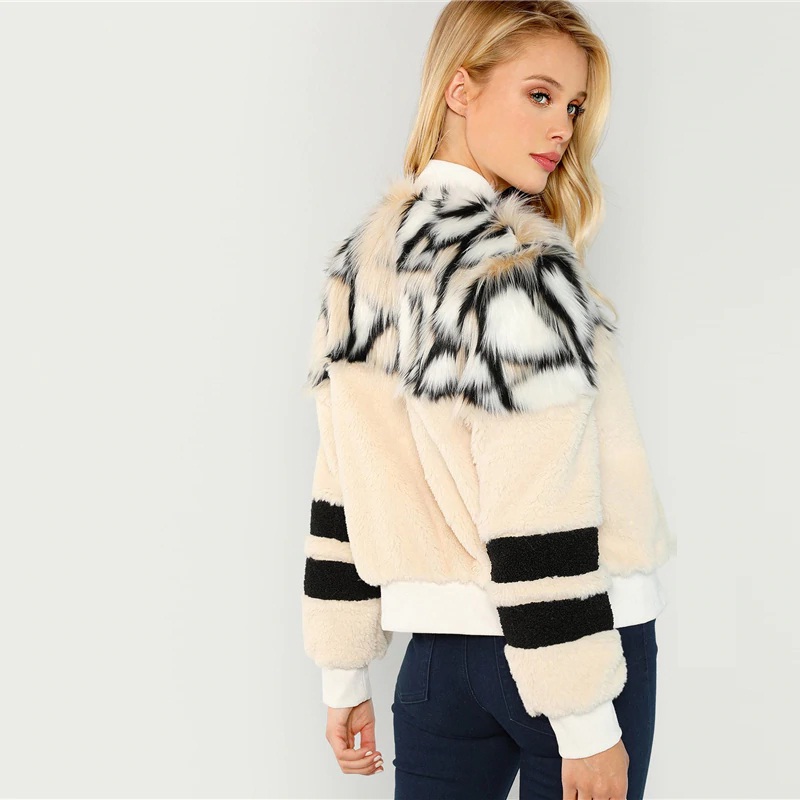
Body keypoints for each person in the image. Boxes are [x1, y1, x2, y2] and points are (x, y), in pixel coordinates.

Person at [300, 1, 677, 798]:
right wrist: (585, 721)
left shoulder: (359, 268)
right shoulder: (519, 271)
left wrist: (343, 672)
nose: (563, 128)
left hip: (437, 663)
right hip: (571, 654)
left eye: (574, 106)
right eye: (540, 95)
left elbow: (342, 484)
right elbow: (540, 507)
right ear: (460, 89)